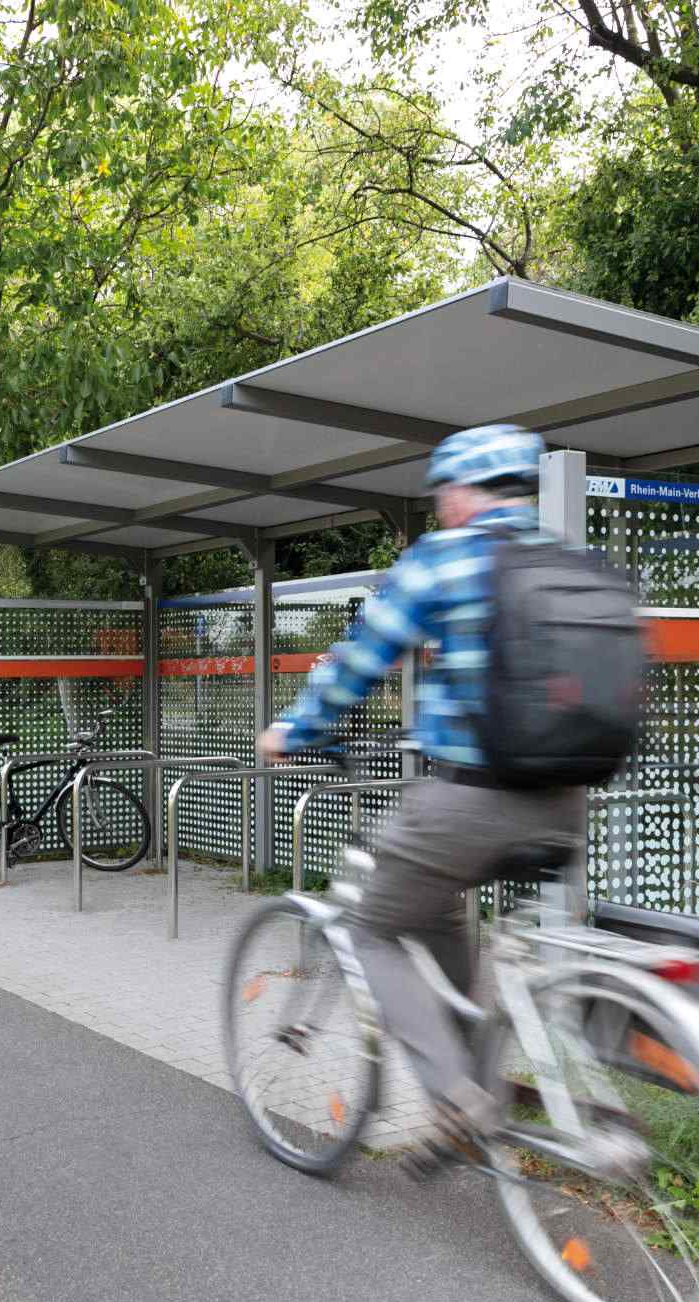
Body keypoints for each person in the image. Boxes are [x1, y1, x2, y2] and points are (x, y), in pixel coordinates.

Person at [258, 422, 585, 1158]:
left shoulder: (447, 557)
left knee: (370, 929)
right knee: (436, 914)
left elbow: (359, 659)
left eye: (443, 492)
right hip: (567, 803)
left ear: (465, 491)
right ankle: (478, 1094)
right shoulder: (566, 559)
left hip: (472, 800)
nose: (440, 506)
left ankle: (458, 1101)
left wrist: (292, 731)